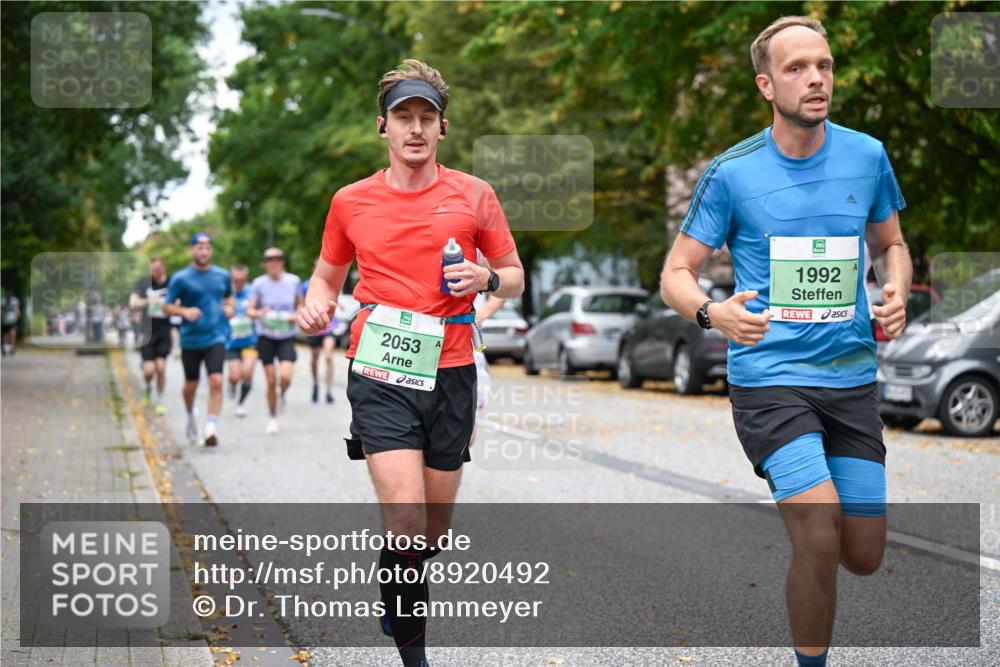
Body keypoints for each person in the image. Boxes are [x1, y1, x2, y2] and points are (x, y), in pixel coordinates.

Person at [660, 17, 911, 667]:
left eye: (824, 65)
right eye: (798, 68)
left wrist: (897, 291)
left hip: (852, 376)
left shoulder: (867, 154)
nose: (816, 78)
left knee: (863, 552)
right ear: (766, 84)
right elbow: (675, 274)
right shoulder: (732, 173)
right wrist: (714, 314)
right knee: (820, 533)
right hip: (770, 375)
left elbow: (891, 244)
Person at [297, 59, 524, 667]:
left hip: (452, 368)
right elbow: (326, 277)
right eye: (404, 118)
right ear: (383, 126)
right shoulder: (350, 202)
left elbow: (515, 277)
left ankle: (397, 589)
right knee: (405, 516)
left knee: (431, 532)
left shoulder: (474, 194)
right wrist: (315, 307)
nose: (416, 128)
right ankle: (414, 653)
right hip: (379, 368)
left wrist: (486, 278)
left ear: (442, 129)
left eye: (427, 118)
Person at [163, 233, 234, 447]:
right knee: (191, 386)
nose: (203, 251)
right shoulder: (181, 278)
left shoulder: (222, 275)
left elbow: (229, 298)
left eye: (207, 247)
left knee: (216, 380)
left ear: (211, 251)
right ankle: (191, 414)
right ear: (192, 250)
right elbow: (166, 306)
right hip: (191, 339)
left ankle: (211, 428)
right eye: (199, 247)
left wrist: (230, 309)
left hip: (216, 336)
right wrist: (183, 311)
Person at [248, 247, 302, 435]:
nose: (274, 263)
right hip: (266, 336)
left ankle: (282, 394)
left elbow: (300, 304)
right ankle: (273, 417)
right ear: (265, 263)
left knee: (285, 377)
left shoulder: (293, 281)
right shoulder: (258, 284)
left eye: (277, 259)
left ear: (282, 262)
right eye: (270, 259)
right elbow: (250, 310)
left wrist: (297, 315)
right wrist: (259, 313)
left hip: (286, 336)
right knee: (271, 380)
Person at [129, 256, 172, 413]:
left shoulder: (172, 282)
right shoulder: (143, 282)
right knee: (149, 370)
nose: (154, 272)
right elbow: (133, 302)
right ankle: (148, 388)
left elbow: (181, 301)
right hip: (147, 332)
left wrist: (166, 304)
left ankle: (159, 400)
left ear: (163, 267)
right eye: (152, 269)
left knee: (161, 368)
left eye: (157, 269)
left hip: (164, 331)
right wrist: (149, 301)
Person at [225, 264, 258, 418]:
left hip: (250, 340)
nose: (238, 283)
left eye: (241, 280)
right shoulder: (225, 293)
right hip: (231, 342)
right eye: (235, 280)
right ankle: (231, 383)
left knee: (247, 373)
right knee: (235, 376)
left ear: (246, 279)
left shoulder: (252, 292)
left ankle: (241, 403)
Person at [2, 291, 21, 355]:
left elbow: (17, 309)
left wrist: (18, 314)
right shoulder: (2, 302)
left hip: (13, 321)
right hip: (5, 321)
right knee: (6, 335)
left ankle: (12, 347)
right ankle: (5, 348)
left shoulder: (15, 301)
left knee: (13, 334)